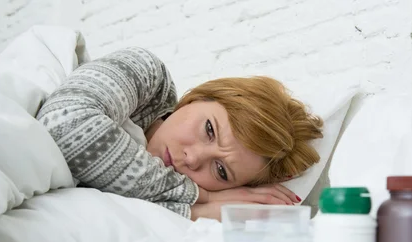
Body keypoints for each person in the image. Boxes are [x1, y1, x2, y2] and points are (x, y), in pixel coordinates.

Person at [37, 47, 323, 220]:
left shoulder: (159, 199)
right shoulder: (147, 75)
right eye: (209, 130)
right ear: (200, 97)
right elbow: (66, 127)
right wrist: (200, 201)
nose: (193, 158)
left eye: (221, 171)